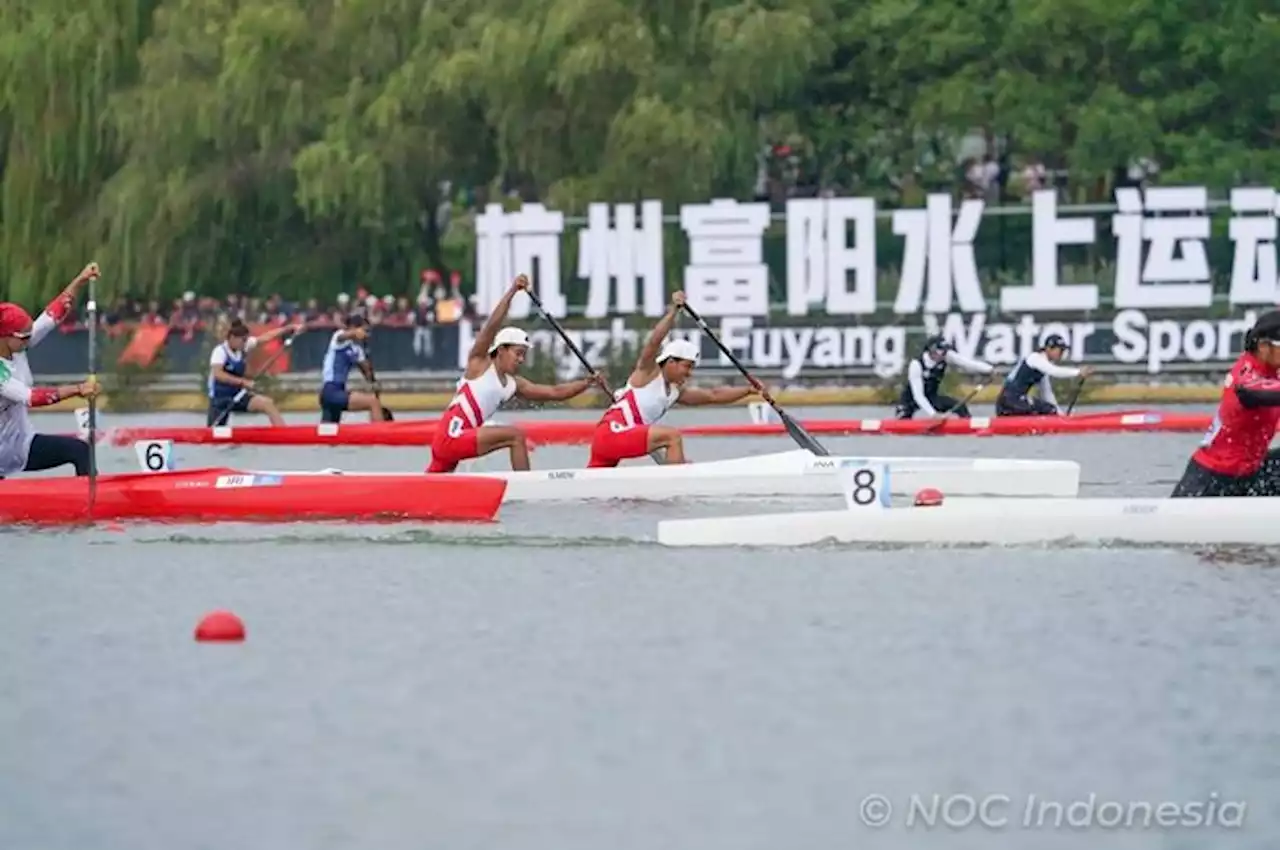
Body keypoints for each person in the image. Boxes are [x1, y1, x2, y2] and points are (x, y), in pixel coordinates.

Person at [427, 274, 604, 473]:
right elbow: (492, 325)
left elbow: (555, 392)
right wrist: (512, 291)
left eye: (523, 355)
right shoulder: (479, 363)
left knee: (425, 494)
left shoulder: (514, 384)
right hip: (451, 436)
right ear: (501, 350)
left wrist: (587, 383)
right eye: (518, 353)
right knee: (516, 436)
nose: (521, 360)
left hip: (459, 438)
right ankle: (527, 488)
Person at [587, 290, 771, 467]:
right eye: (687, 366)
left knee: (592, 488)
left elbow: (713, 395)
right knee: (672, 436)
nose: (689, 373)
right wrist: (674, 310)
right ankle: (676, 484)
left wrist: (748, 390)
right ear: (671, 362)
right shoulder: (647, 372)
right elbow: (655, 341)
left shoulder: (674, 392)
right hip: (612, 432)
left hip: (615, 438)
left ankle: (675, 473)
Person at [0, 262, 102, 478]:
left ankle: (92, 503)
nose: (30, 338)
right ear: (5, 337)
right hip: (2, 451)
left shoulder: (18, 346)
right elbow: (31, 398)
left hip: (21, 444)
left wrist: (80, 280)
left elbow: (51, 316)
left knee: (80, 450)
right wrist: (77, 389)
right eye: (24, 336)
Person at [1171, 310, 1280, 497]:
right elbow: (1256, 392)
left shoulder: (1273, 372)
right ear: (1264, 346)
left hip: (1249, 476)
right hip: (1211, 480)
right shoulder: (1246, 375)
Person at [206, 318, 298, 426]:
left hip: (238, 395)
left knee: (267, 403)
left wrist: (287, 329)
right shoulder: (220, 351)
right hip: (220, 399)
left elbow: (266, 337)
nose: (245, 343)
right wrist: (243, 382)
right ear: (232, 338)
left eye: (246, 340)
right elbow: (218, 374)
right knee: (214, 430)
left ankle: (283, 433)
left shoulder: (243, 346)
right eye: (242, 340)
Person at [896, 334, 997, 419]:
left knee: (959, 406)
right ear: (932, 349)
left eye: (945, 350)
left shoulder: (947, 356)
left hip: (931, 398)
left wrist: (989, 369)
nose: (944, 353)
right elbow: (918, 396)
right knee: (904, 417)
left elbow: (967, 363)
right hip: (910, 400)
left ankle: (968, 425)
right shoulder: (916, 365)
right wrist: (933, 415)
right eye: (941, 350)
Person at [995, 334, 1094, 416]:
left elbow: (1047, 395)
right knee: (1047, 409)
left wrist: (1060, 415)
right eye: (1060, 350)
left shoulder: (1043, 368)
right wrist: (1078, 372)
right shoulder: (1035, 358)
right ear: (1049, 348)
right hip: (1007, 402)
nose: (1062, 354)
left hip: (1015, 403)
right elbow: (1054, 371)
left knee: (1049, 409)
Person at [318, 314, 384, 423]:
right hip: (330, 390)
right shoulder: (338, 337)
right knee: (373, 402)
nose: (366, 334)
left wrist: (373, 381)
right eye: (364, 330)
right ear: (354, 327)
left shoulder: (357, 350)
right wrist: (356, 332)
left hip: (338, 392)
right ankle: (382, 437)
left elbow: (367, 373)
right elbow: (343, 336)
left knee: (329, 434)